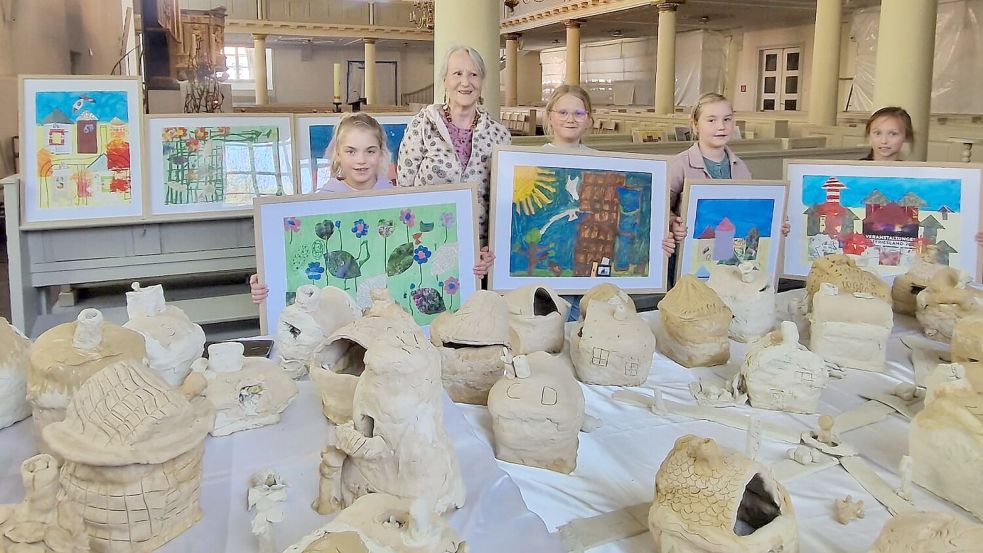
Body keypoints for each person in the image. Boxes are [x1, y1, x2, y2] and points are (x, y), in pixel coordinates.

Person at [249, 113, 393, 303]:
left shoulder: (395, 198)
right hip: (338, 307)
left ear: (381, 153)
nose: (361, 159)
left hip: (382, 306)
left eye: (370, 151)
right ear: (338, 154)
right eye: (351, 151)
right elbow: (302, 254)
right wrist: (269, 279)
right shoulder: (321, 204)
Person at [397, 45, 511, 280]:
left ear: (482, 81)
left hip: (477, 256)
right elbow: (403, 191)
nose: (465, 82)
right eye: (458, 74)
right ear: (445, 80)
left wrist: (490, 249)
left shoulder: (500, 135)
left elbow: (501, 203)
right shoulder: (421, 125)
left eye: (473, 74)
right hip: (425, 243)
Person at [662, 92, 789, 258]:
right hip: (689, 258)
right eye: (711, 120)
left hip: (731, 254)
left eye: (727, 119)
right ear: (695, 124)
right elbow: (661, 209)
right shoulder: (680, 165)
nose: (721, 126)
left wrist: (775, 222)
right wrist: (673, 223)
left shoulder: (740, 167)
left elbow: (749, 211)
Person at [544, 84, 594, 150]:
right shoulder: (535, 156)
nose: (570, 120)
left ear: (588, 120)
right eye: (563, 113)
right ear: (549, 117)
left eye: (578, 113)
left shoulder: (599, 158)